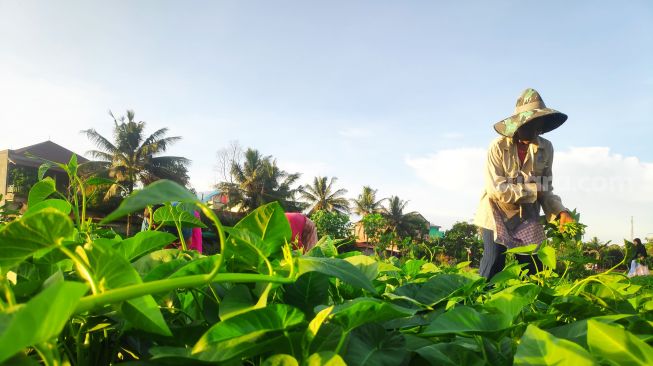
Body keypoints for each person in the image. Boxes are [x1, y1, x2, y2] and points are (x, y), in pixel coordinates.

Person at [474, 88, 575, 280]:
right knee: (495, 259)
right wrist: (532, 189)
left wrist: (561, 211)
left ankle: (531, 307)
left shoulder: (546, 148)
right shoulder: (497, 147)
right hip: (496, 211)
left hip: (526, 214)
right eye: (530, 124)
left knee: (534, 265)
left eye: (539, 125)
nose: (535, 130)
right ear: (518, 123)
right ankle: (477, 303)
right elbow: (496, 190)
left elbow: (545, 188)